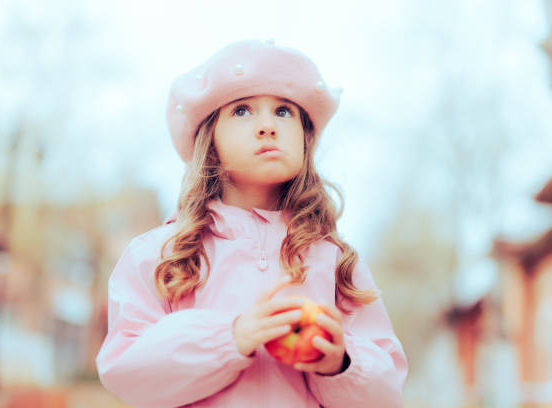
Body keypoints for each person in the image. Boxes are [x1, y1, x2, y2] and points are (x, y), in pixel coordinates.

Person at [96, 39, 408, 407]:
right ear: (208, 140)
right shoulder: (162, 254)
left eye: (284, 111)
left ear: (306, 141)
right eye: (242, 111)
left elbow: (386, 392)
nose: (267, 126)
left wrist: (340, 362)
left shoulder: (337, 262)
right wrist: (230, 338)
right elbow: (126, 369)